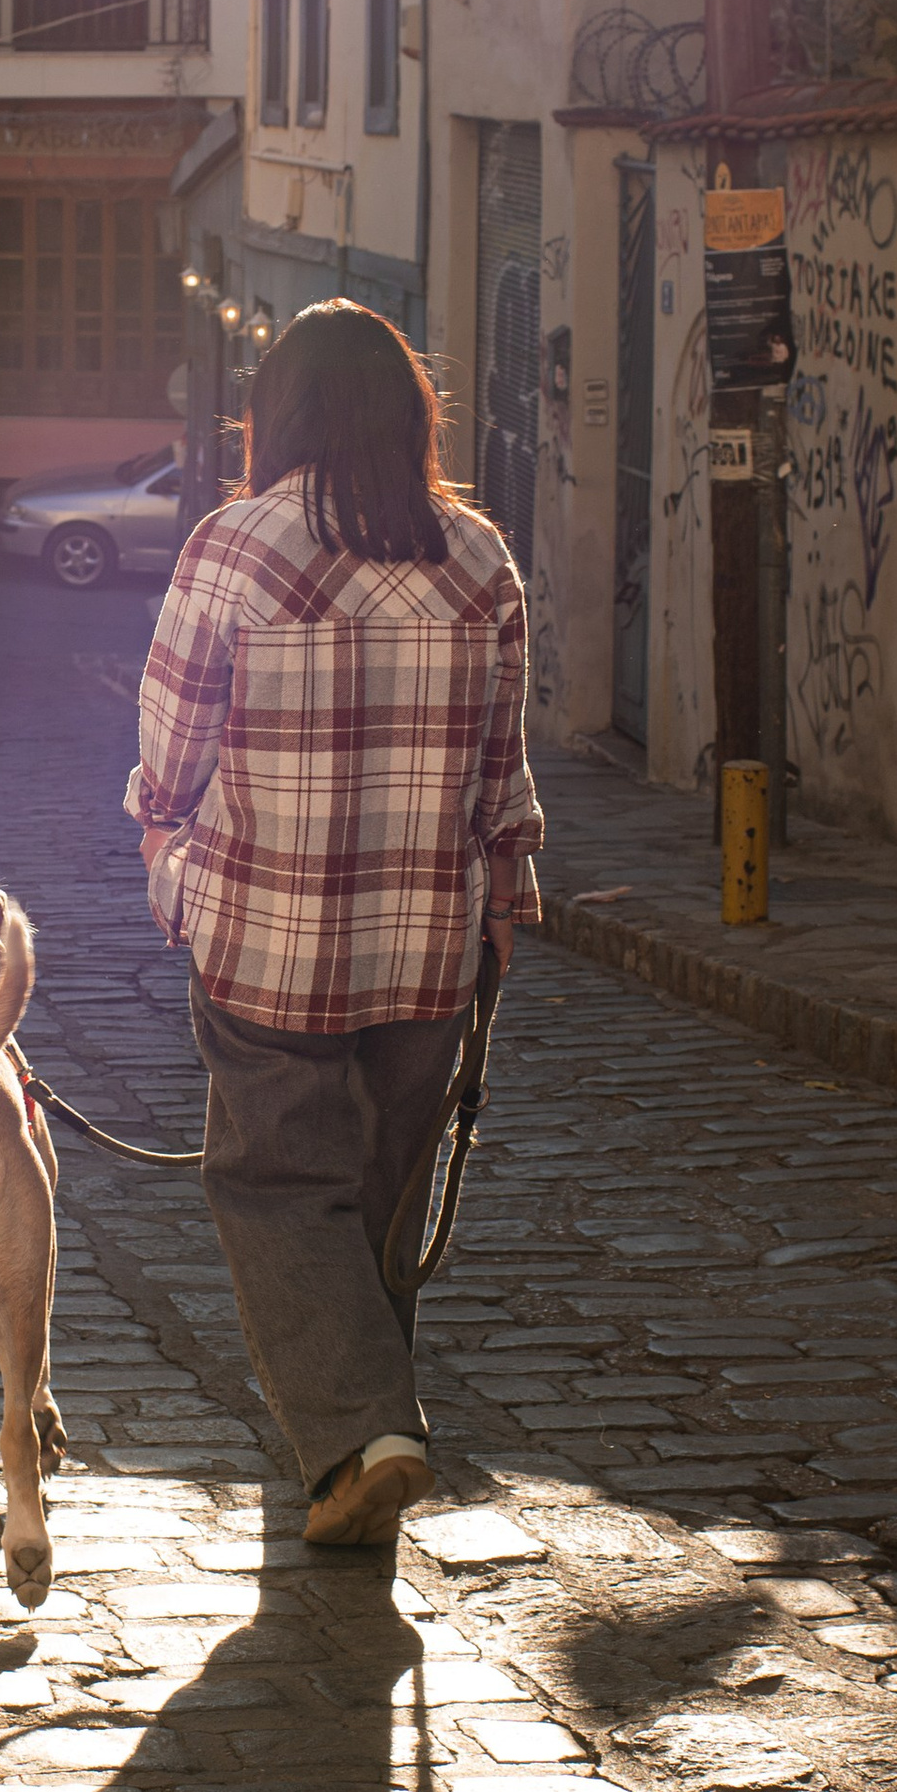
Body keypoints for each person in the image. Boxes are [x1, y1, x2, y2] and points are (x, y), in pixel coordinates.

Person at [129, 299, 542, 1547]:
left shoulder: (235, 546)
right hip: (431, 942)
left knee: (272, 1182)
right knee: (378, 1194)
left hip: (269, 930)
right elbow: (500, 763)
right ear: (413, 417)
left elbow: (170, 745)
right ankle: (355, 1460)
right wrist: (508, 895)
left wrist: (159, 835)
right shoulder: (479, 558)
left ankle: (366, 1434)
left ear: (280, 413)